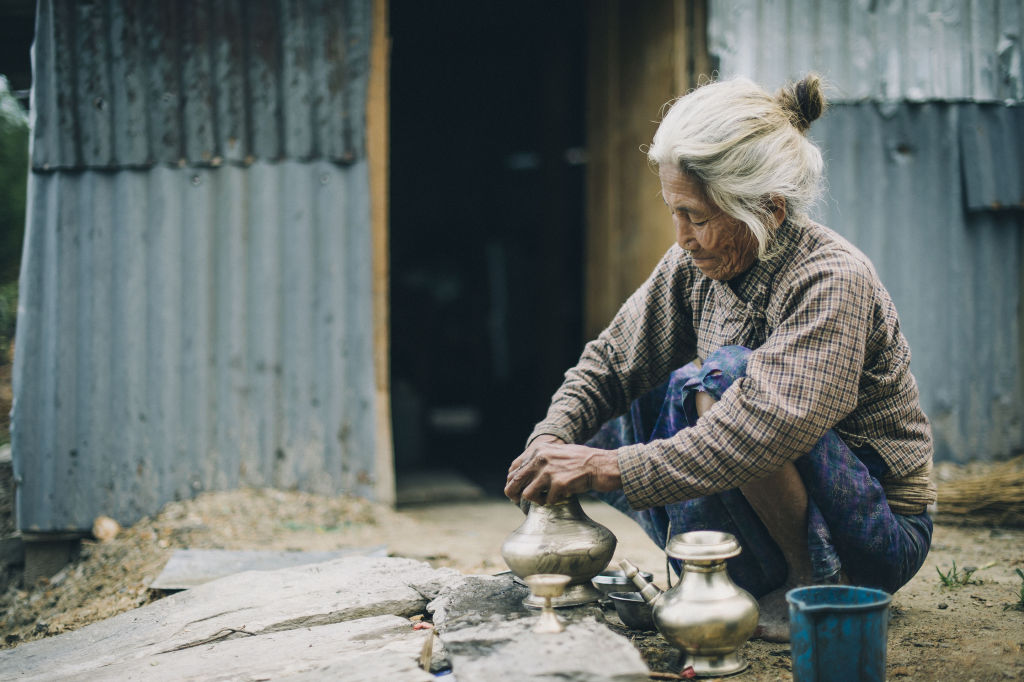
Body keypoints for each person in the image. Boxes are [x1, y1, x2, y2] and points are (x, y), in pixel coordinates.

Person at [503, 74, 935, 642]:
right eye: (675, 212)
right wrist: (550, 441)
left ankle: (810, 581)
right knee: (613, 408)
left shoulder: (831, 278)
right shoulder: (693, 266)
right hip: (764, 494)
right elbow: (611, 361)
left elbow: (761, 429)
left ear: (769, 209)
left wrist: (605, 468)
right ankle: (717, 570)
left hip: (872, 533)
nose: (682, 236)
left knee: (722, 380)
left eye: (698, 218)